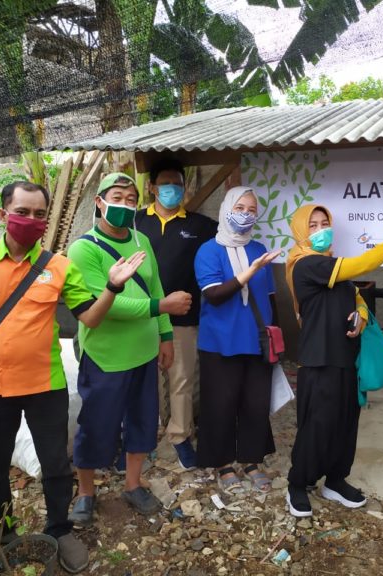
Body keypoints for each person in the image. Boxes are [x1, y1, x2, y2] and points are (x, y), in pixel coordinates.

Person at [0, 181, 143, 574]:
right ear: (3, 215)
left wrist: (112, 286)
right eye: (23, 212)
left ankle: (59, 530)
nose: (32, 221)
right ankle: (2, 537)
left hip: (46, 385)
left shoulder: (59, 266)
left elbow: (89, 316)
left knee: (56, 466)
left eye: (40, 214)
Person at [66, 172, 192, 524]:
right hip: (105, 357)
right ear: (100, 202)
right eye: (117, 197)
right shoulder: (83, 249)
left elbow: (155, 286)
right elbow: (103, 306)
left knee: (142, 422)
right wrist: (161, 309)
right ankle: (86, 492)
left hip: (144, 354)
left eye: (131, 199)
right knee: (96, 425)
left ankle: (133, 484)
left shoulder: (140, 240)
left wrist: (165, 336)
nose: (124, 205)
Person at [284, 205, 383, 517]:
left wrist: (360, 314)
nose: (320, 230)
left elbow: (355, 295)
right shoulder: (304, 264)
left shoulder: (330, 265)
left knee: (346, 423)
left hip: (346, 358)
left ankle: (335, 480)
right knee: (317, 425)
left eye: (324, 223)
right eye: (313, 226)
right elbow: (359, 266)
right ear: (301, 231)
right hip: (319, 360)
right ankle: (297, 484)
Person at [194, 186, 280, 493]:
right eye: (240, 207)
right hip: (219, 342)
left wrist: (276, 337)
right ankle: (222, 462)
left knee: (256, 403)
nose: (246, 214)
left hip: (257, 340)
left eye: (252, 209)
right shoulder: (208, 250)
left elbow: (270, 297)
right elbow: (214, 295)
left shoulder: (259, 248)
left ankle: (252, 458)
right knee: (220, 403)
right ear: (227, 208)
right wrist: (248, 273)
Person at [134, 157, 217, 470]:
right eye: (165, 183)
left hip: (183, 319)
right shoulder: (135, 224)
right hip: (141, 317)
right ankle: (145, 435)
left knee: (180, 378)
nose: (171, 188)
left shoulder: (202, 227)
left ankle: (180, 436)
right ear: (152, 187)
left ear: (185, 188)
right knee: (146, 381)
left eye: (177, 184)